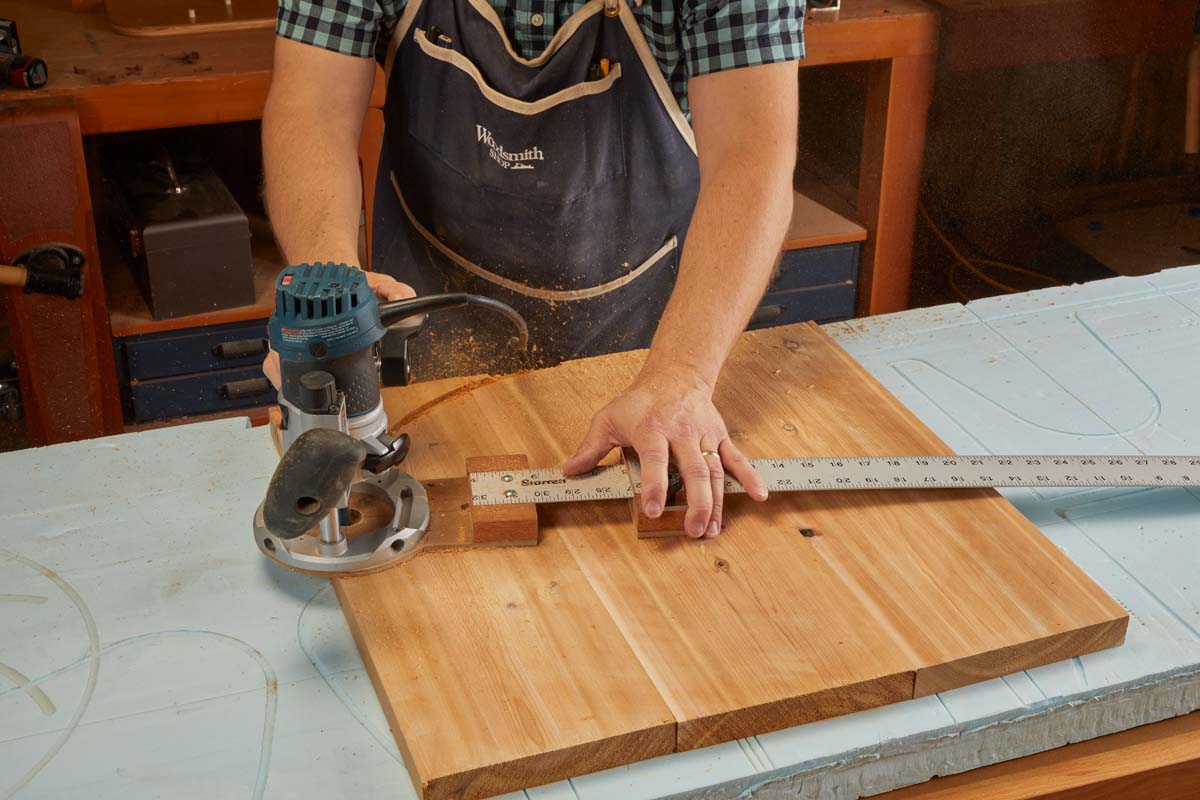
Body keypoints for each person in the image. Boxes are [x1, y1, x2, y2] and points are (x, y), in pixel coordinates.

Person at [262, 0, 804, 539]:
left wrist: (682, 374)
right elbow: (312, 110)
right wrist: (329, 298)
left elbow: (752, 155)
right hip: (429, 345)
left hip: (652, 362)